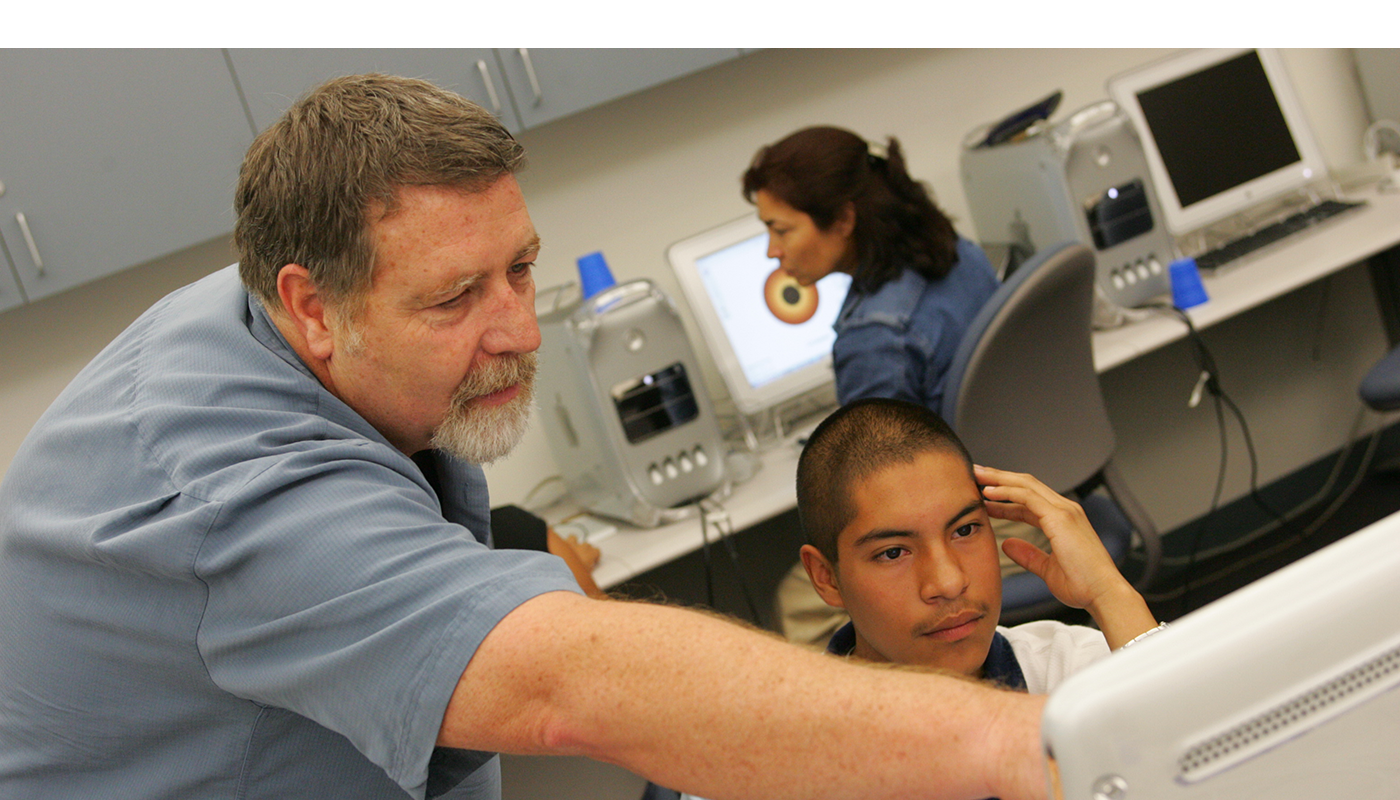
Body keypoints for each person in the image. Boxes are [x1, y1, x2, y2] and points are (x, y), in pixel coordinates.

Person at [0, 74, 1052, 800]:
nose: (514, 328)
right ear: (311, 305)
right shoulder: (232, 483)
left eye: (519, 267)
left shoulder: (281, 307)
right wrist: (1006, 739)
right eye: (457, 295)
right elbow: (563, 685)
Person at [742, 126, 1049, 643]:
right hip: (1032, 485)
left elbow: (877, 483)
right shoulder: (958, 252)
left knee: (801, 603)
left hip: (987, 524)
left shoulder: (875, 337)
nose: (772, 251)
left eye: (781, 230)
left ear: (842, 219)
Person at [796, 398, 1163, 691]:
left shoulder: (1062, 671)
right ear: (827, 577)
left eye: (966, 530)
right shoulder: (798, 750)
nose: (949, 582)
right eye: (893, 553)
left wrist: (1108, 592)